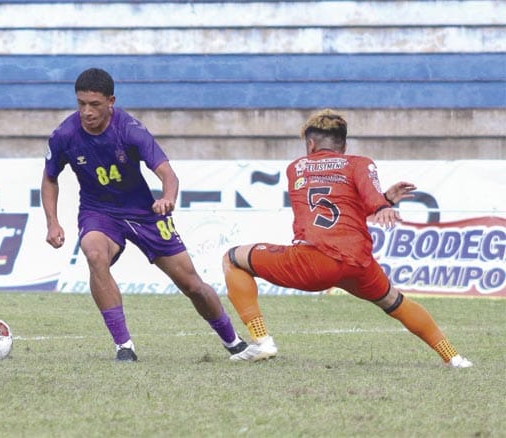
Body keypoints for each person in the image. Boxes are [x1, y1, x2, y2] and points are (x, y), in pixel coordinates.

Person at [222, 108, 472, 368]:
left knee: (233, 259)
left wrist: (381, 205)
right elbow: (357, 199)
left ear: (310, 143)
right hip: (357, 264)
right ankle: (452, 356)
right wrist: (383, 204)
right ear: (345, 143)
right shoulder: (359, 163)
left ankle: (261, 340)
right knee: (394, 301)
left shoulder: (296, 168)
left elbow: (330, 205)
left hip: (315, 261)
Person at [41, 67, 257, 362]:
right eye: (81, 104)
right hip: (99, 212)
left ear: (111, 101)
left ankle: (232, 341)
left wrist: (167, 198)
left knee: (192, 284)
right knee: (94, 254)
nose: (86, 112)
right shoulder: (65, 135)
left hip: (145, 213)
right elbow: (49, 178)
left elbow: (168, 173)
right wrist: (52, 222)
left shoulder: (129, 129)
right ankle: (124, 346)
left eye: (94, 105)